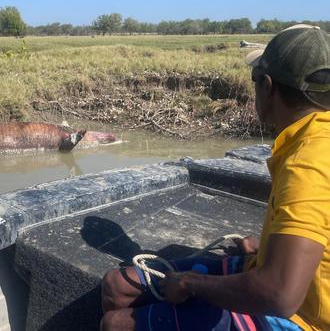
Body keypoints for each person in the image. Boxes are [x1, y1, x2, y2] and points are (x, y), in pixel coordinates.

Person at [100, 24, 330, 331]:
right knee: (117, 285)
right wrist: (270, 245)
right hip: (274, 273)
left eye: (255, 79)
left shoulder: (307, 162)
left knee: (116, 324)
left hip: (301, 319)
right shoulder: (308, 140)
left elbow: (280, 295)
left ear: (266, 84)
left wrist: (191, 282)